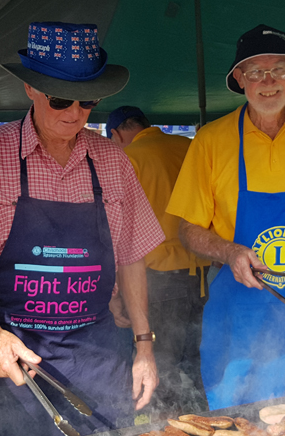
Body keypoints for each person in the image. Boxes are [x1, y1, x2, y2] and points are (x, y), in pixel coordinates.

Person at [0, 21, 165, 435]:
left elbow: (131, 255)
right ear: (31, 89)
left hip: (98, 359)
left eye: (88, 102)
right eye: (60, 100)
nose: (75, 114)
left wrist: (144, 347)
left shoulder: (113, 163)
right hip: (12, 359)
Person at [167, 24, 285, 410]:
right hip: (242, 308)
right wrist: (230, 250)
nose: (269, 82)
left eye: (280, 70)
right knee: (243, 415)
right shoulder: (211, 141)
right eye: (256, 71)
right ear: (239, 78)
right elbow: (188, 229)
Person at [106, 106, 211, 415]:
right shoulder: (190, 147)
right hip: (203, 274)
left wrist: (117, 291)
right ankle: (200, 421)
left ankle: (167, 426)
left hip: (157, 280)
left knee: (159, 366)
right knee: (194, 362)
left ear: (117, 133)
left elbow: (119, 231)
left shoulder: (127, 158)